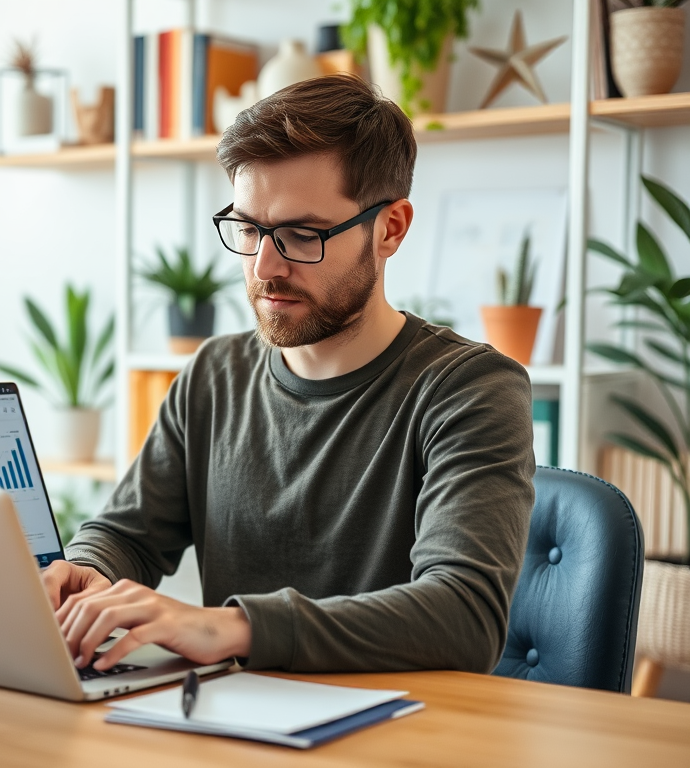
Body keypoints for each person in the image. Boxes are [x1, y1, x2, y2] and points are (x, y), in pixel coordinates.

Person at [42, 73, 535, 675]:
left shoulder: (470, 390)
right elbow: (130, 535)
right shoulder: (213, 376)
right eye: (249, 229)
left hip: (400, 733)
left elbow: (464, 616)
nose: (265, 267)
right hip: (231, 724)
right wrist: (85, 573)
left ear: (391, 229)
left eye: (303, 235)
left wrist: (231, 626)